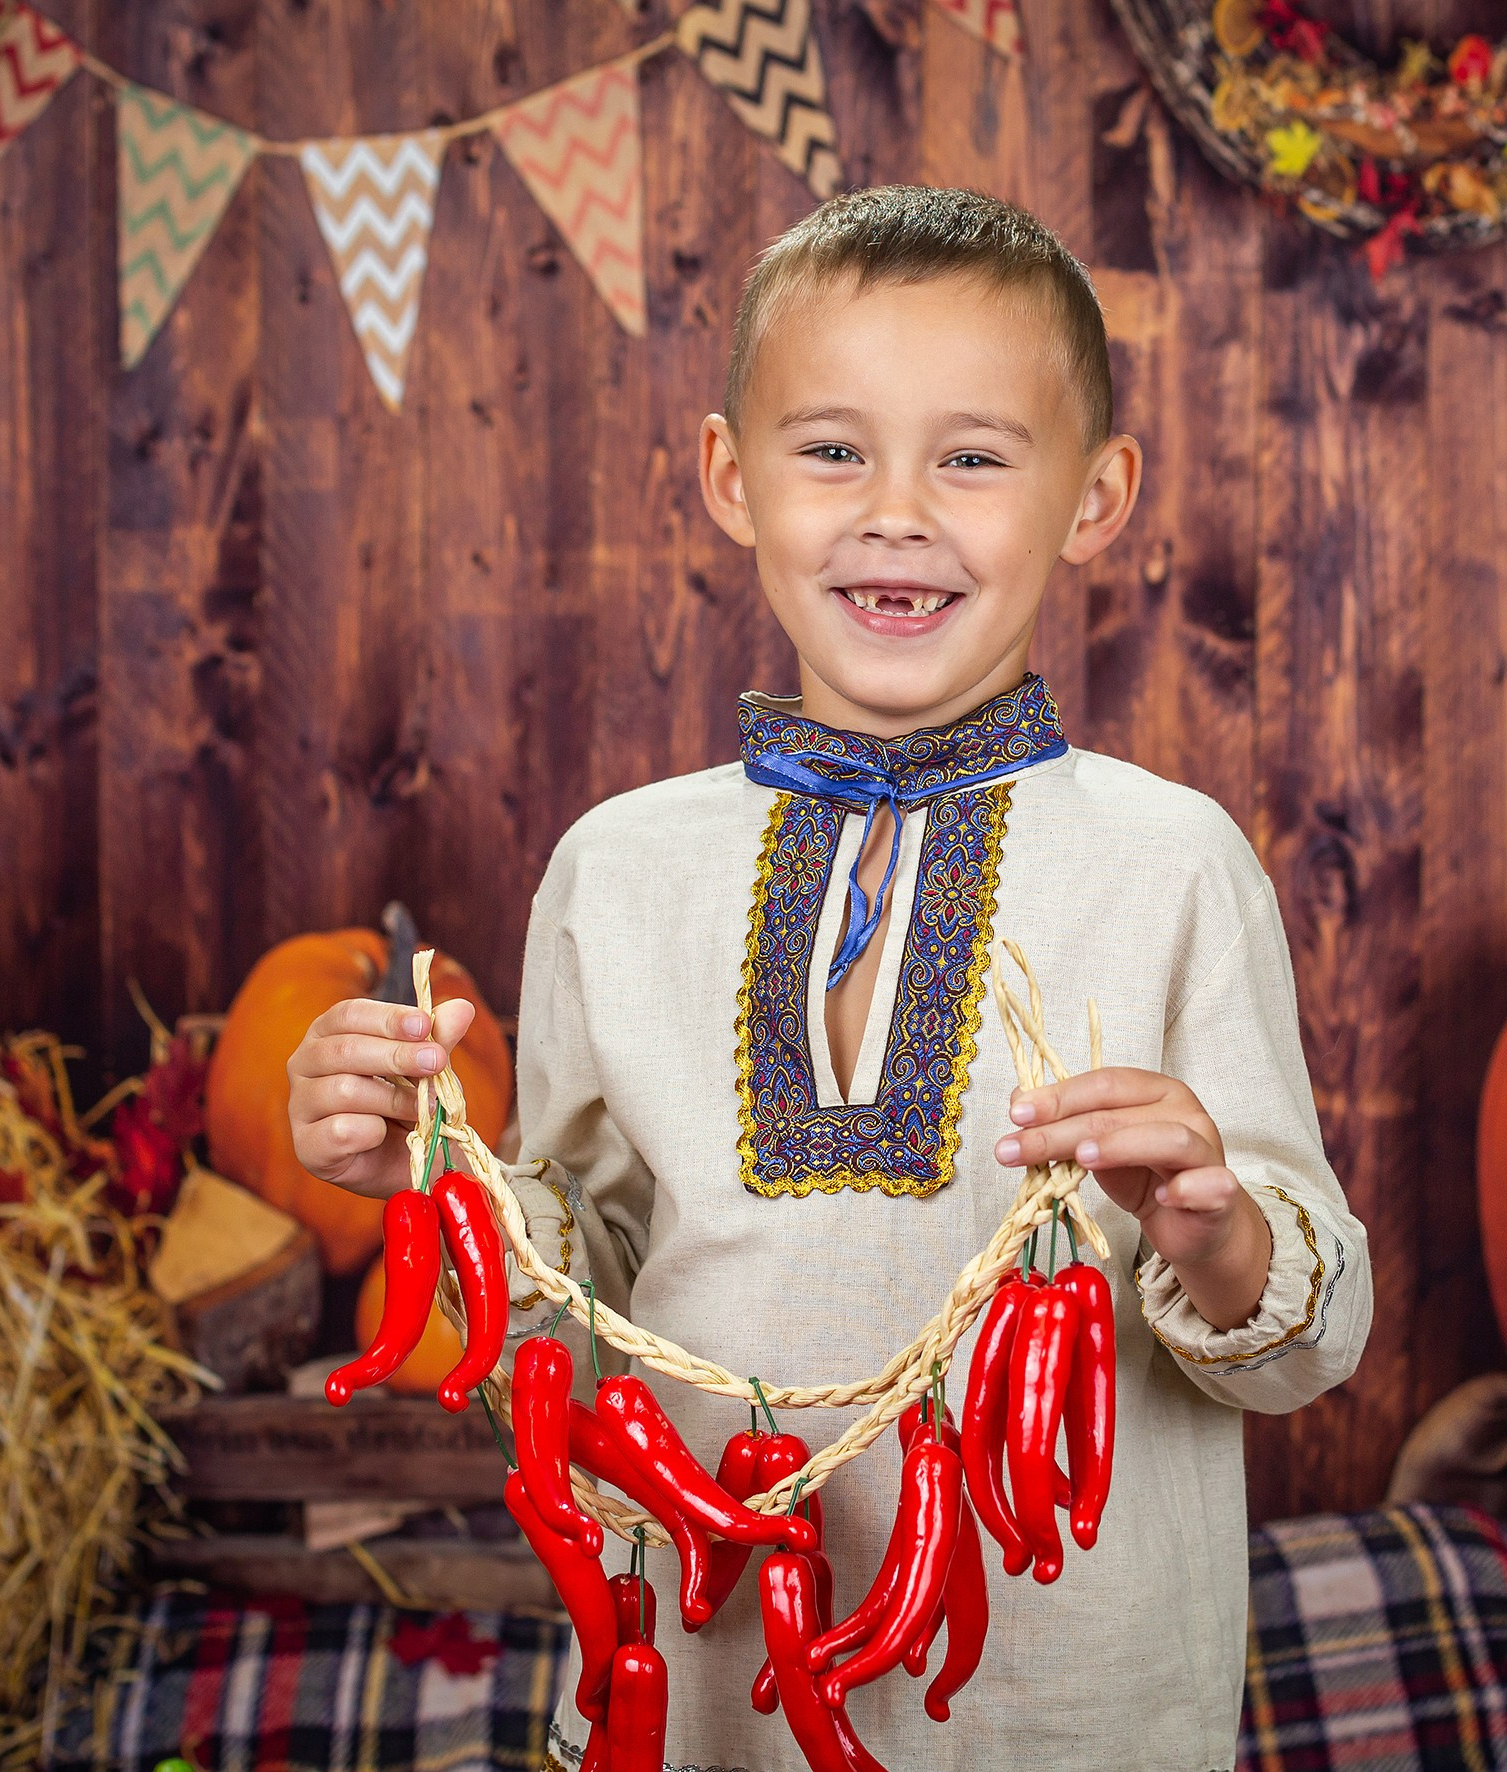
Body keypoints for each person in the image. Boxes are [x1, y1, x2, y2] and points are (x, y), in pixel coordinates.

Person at [286, 184, 1373, 1771]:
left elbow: (1310, 1340)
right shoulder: (616, 872)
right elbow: (579, 1295)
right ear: (733, 478)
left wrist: (1215, 1231)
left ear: (1096, 497)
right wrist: (429, 1176)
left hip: (1072, 1706)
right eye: (834, 450)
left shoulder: (1173, 866)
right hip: (706, 1679)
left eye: (974, 457)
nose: (897, 513)